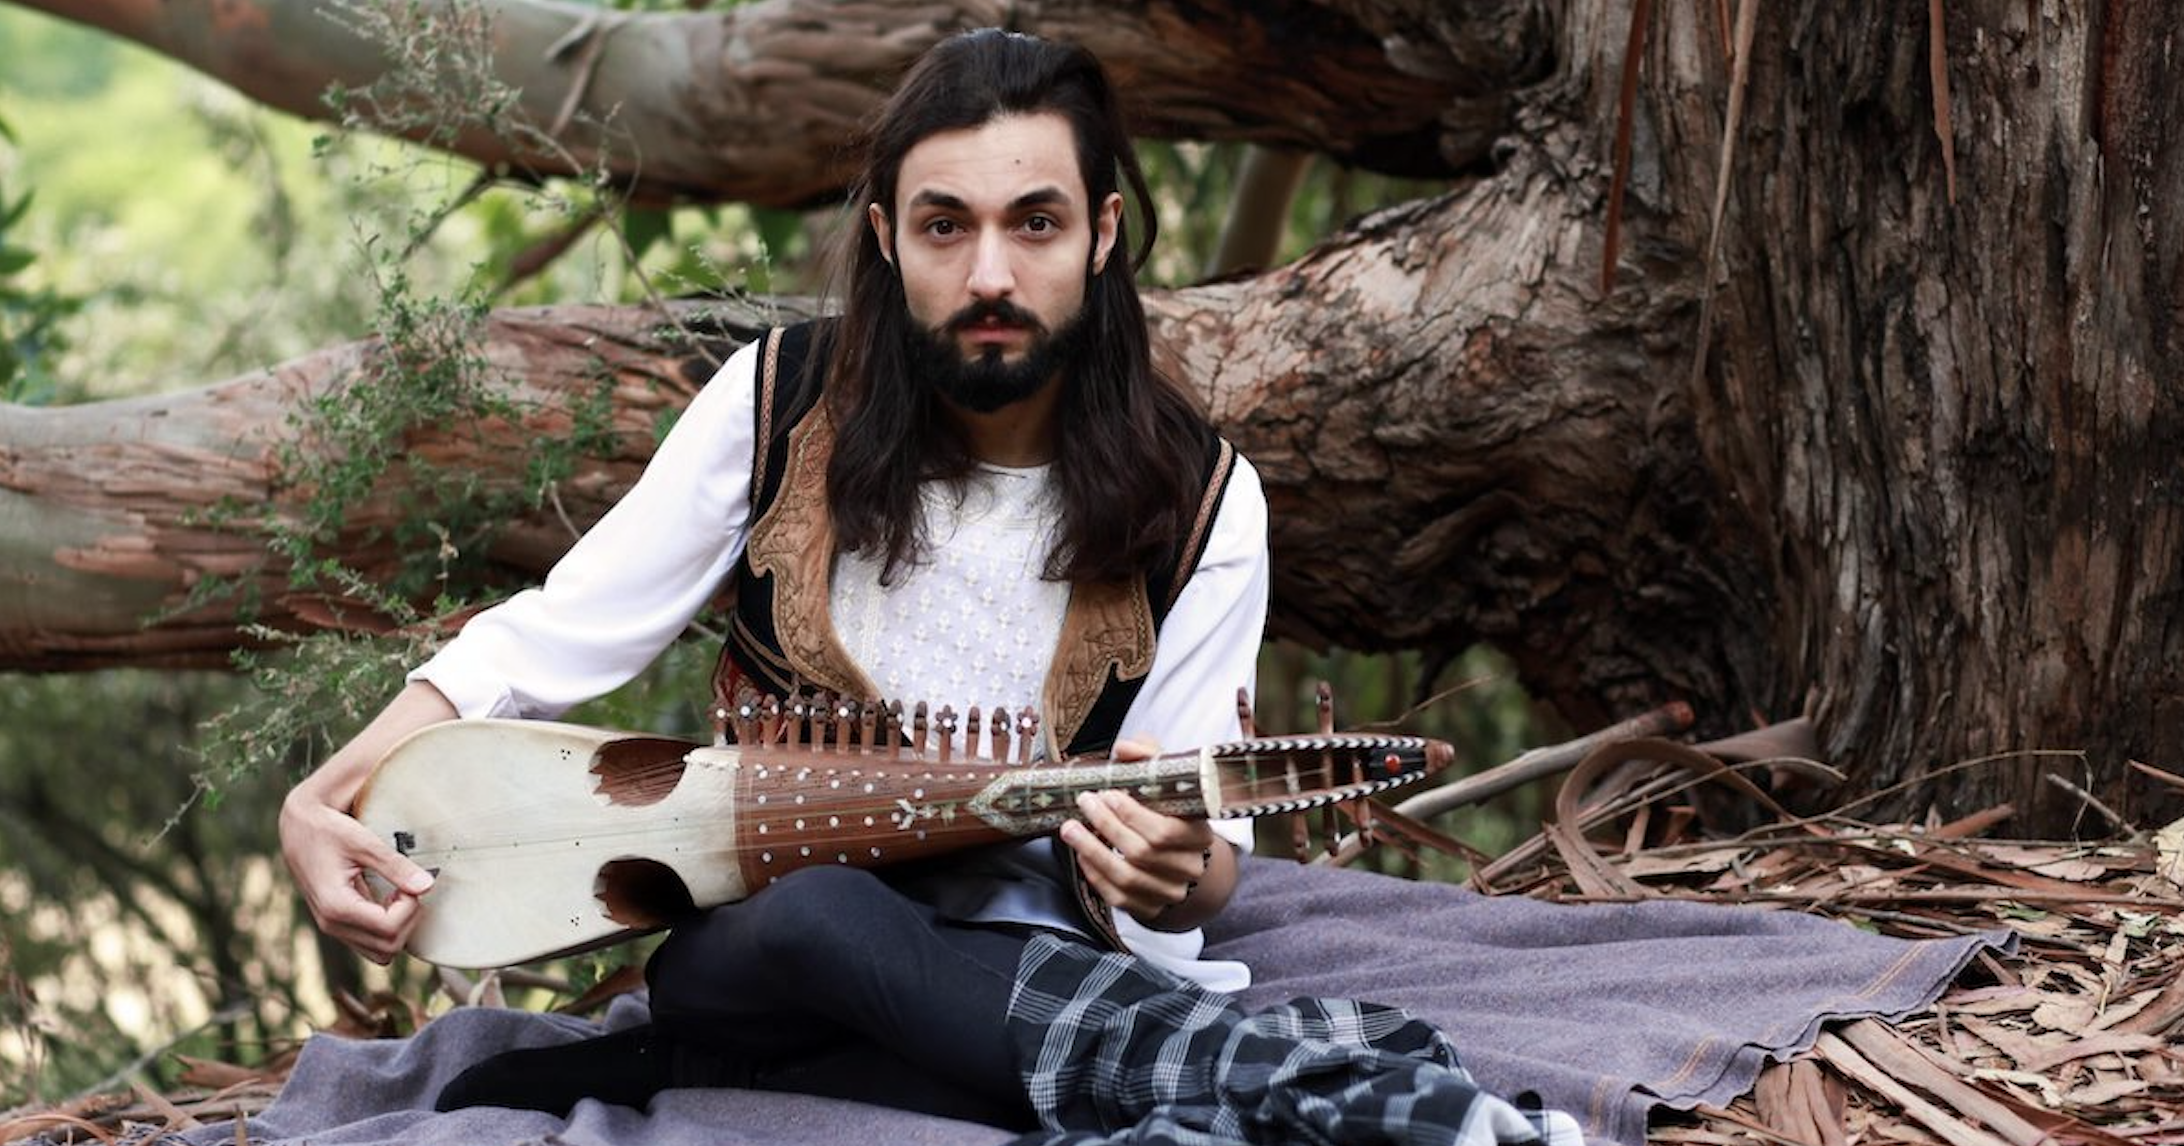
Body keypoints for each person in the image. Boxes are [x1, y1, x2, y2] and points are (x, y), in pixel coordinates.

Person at [278, 28, 1269, 1128]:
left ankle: (825, 1079)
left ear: (1101, 234)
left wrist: (1173, 865)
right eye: (946, 226)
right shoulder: (778, 405)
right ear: (888, 238)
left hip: (1028, 950)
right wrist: (326, 795)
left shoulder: (1204, 499)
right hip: (771, 944)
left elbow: (1208, 860)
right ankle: (1191, 1085)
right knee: (813, 922)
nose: (991, 274)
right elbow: (553, 637)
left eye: (1035, 222)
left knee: (846, 942)